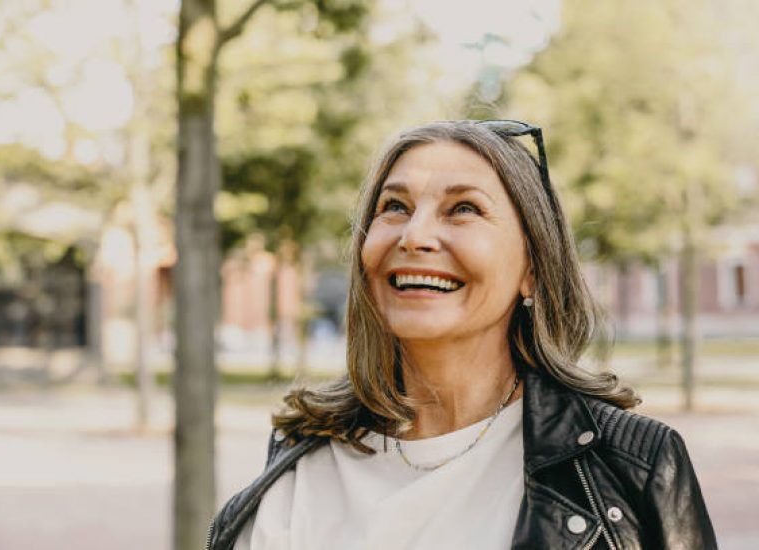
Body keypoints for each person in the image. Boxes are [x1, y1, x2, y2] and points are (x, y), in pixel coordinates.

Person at [207, 120, 717, 550]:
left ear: (533, 269)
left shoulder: (632, 467)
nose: (414, 236)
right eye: (395, 207)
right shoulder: (301, 462)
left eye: (464, 209)